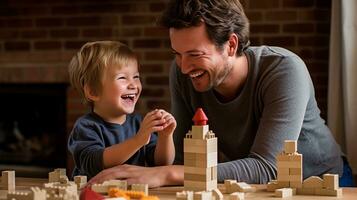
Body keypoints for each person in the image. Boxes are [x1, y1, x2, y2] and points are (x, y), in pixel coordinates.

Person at [88, 0, 355, 187]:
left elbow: (266, 167)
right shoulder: (183, 73)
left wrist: (165, 174)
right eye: (177, 55)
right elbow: (181, 157)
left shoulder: (284, 70)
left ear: (231, 44)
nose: (183, 67)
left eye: (195, 55)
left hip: (321, 183)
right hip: (259, 188)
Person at [67, 41, 176, 180]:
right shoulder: (86, 127)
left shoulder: (138, 123)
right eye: (122, 78)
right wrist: (138, 141)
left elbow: (161, 164)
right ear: (93, 92)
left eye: (136, 77)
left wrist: (165, 137)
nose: (133, 85)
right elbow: (93, 163)